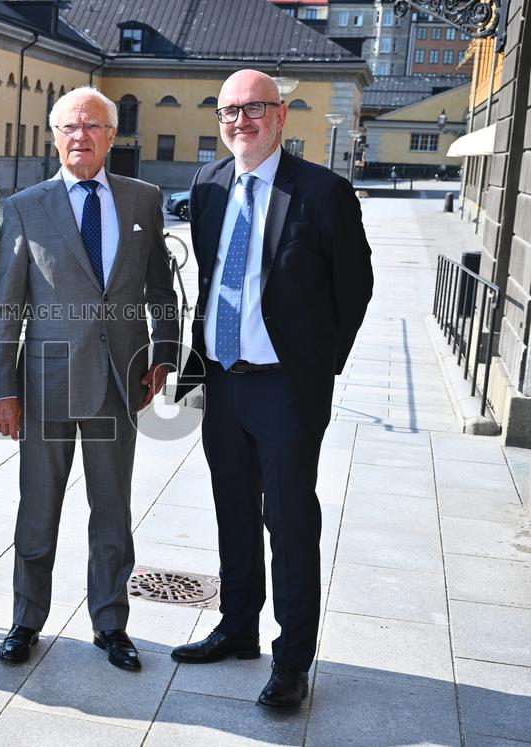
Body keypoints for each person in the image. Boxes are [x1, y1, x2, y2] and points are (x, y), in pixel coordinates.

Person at [171, 69, 373, 709]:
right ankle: (237, 627)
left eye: (255, 109)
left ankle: (292, 661)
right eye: (229, 111)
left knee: (288, 521)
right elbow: (207, 281)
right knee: (232, 509)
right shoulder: (209, 185)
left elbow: (354, 289)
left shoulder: (323, 192)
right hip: (224, 382)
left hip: (286, 388)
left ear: (281, 117)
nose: (240, 121)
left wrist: (318, 368)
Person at [0, 86, 178, 671]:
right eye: (70, 127)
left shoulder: (143, 200)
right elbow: (7, 305)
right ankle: (26, 620)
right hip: (46, 386)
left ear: (111, 135)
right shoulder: (25, 206)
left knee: (113, 511)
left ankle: (111, 624)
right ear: (54, 136)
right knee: (38, 508)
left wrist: (165, 355)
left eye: (93, 126)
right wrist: (4, 387)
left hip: (119, 383)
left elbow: (159, 290)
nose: (81, 136)